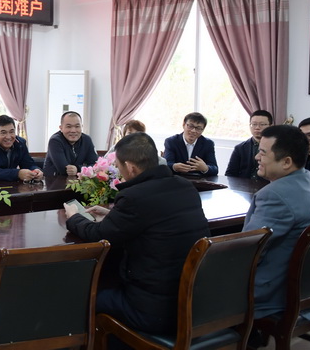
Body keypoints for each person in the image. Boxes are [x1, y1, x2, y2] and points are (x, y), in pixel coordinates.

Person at [64, 133, 210, 336]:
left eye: (118, 166)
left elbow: (99, 235)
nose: (119, 171)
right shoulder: (185, 186)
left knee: (77, 298)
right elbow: (153, 218)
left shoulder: (134, 196)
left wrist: (74, 218)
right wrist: (113, 215)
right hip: (193, 302)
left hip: (153, 310)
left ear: (131, 167)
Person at [242, 125, 310, 319]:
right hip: (308, 288)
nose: (256, 157)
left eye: (263, 153)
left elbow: (248, 250)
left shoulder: (275, 195)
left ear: (286, 162)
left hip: (272, 294)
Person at [0, 115, 43, 182]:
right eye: (3, 133)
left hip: (12, 184)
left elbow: (29, 164)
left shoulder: (20, 143)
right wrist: (17, 174)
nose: (8, 137)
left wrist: (36, 171)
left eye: (11, 132)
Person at [43, 111, 98, 176]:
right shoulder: (55, 141)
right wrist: (83, 169)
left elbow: (95, 165)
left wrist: (78, 169)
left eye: (77, 126)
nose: (73, 131)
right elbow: (65, 170)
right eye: (69, 127)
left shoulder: (86, 140)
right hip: (55, 179)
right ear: (61, 128)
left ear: (81, 127)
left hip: (79, 180)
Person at [164, 112, 218, 176]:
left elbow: (215, 168)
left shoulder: (208, 144)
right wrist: (174, 167)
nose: (193, 131)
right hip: (177, 179)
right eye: (190, 126)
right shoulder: (171, 141)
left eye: (198, 128)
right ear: (184, 125)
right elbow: (166, 165)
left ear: (203, 130)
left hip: (199, 180)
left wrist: (205, 168)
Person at [225, 110, 273, 179]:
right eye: (254, 124)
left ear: (271, 126)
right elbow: (230, 174)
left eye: (262, 124)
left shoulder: (276, 147)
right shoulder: (240, 148)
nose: (257, 127)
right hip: (243, 185)